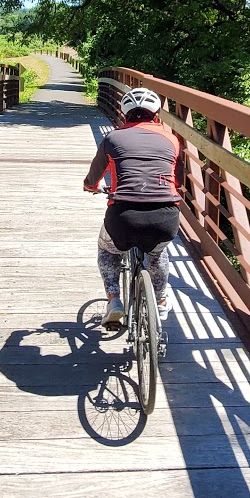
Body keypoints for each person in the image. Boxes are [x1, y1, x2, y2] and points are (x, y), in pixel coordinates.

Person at [82, 86, 185, 329]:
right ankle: (159, 301)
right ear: (157, 114)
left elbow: (93, 179)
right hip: (165, 217)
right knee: (158, 252)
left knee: (107, 249)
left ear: (125, 114)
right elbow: (178, 181)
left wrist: (90, 186)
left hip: (123, 216)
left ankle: (114, 300)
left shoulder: (112, 138)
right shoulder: (172, 140)